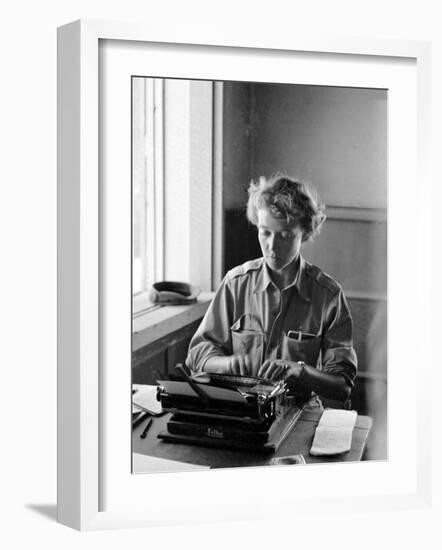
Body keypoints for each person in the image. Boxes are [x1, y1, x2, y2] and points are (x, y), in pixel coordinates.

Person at [186, 174, 357, 406]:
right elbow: (196, 356)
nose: (272, 246)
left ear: (305, 234)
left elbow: (342, 386)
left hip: (297, 413)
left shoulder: (328, 296)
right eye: (265, 232)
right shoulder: (235, 284)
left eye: (285, 236)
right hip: (241, 409)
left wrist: (300, 371)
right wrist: (226, 364)